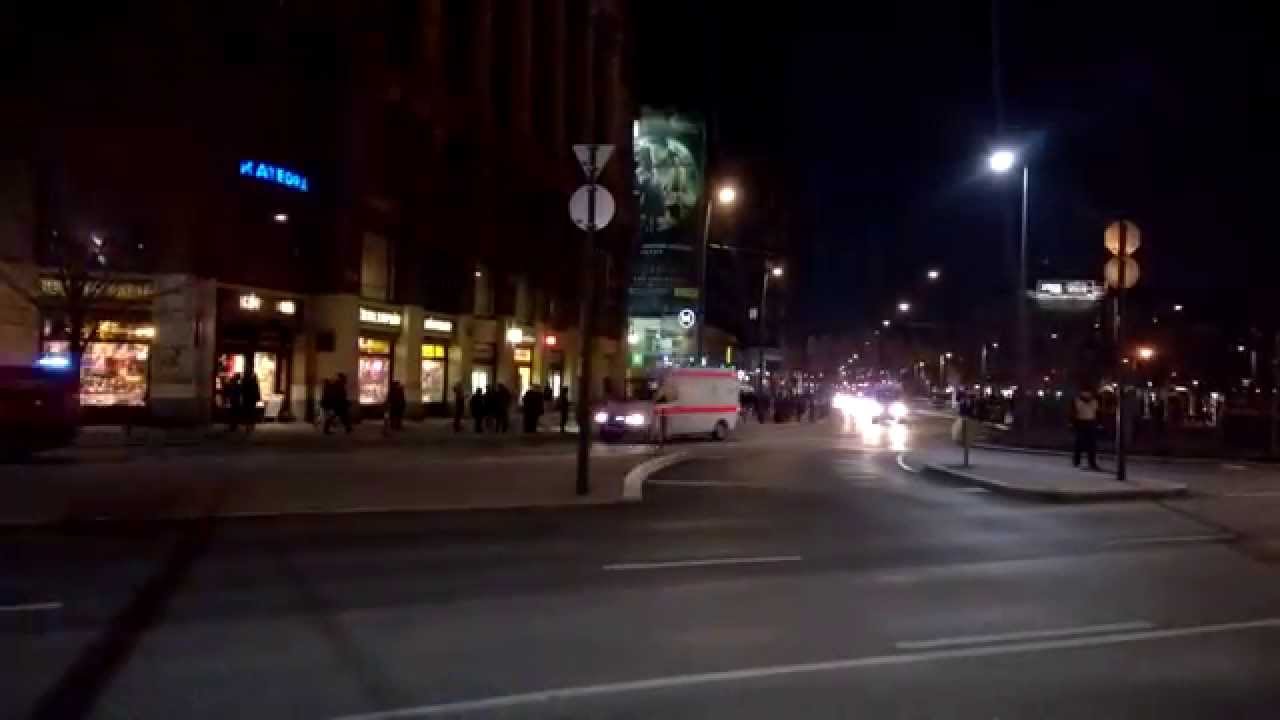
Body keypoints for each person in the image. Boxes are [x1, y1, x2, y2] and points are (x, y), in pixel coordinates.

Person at [1069, 387, 1101, 470]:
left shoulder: (1094, 401)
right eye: (1085, 392)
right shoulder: (1077, 400)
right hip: (1081, 422)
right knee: (1079, 442)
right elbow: (1073, 412)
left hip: (1091, 422)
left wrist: (1097, 422)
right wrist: (1072, 422)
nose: (1087, 394)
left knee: (1092, 444)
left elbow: (1097, 412)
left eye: (1088, 393)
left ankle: (1091, 462)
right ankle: (1077, 461)